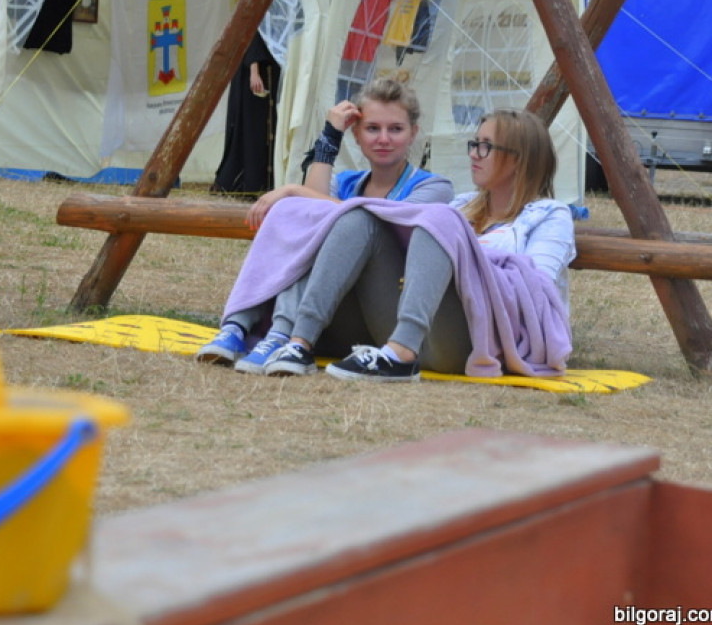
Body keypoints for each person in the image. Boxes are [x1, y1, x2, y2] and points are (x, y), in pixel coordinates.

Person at [248, 109, 576, 381]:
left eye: (486, 146)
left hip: (481, 338)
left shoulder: (548, 215)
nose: (474, 154)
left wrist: (467, 259)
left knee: (438, 220)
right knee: (359, 219)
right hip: (419, 324)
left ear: (520, 160)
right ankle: (297, 342)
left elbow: (536, 291)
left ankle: (400, 356)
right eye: (474, 144)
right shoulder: (461, 204)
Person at [196, 77, 454, 372]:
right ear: (355, 134)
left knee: (351, 221)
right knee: (304, 221)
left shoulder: (435, 187)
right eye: (372, 128)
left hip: (388, 317)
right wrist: (330, 135)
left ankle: (284, 333)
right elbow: (310, 211)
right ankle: (239, 326)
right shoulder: (346, 183)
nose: (383, 138)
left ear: (413, 134)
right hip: (334, 314)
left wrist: (294, 189)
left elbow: (379, 218)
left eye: (395, 129)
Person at [210, 32, 281, 194]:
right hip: (254, 76)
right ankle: (247, 183)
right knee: (250, 129)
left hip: (270, 73)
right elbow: (253, 35)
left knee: (266, 129)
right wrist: (254, 71)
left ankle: (265, 182)